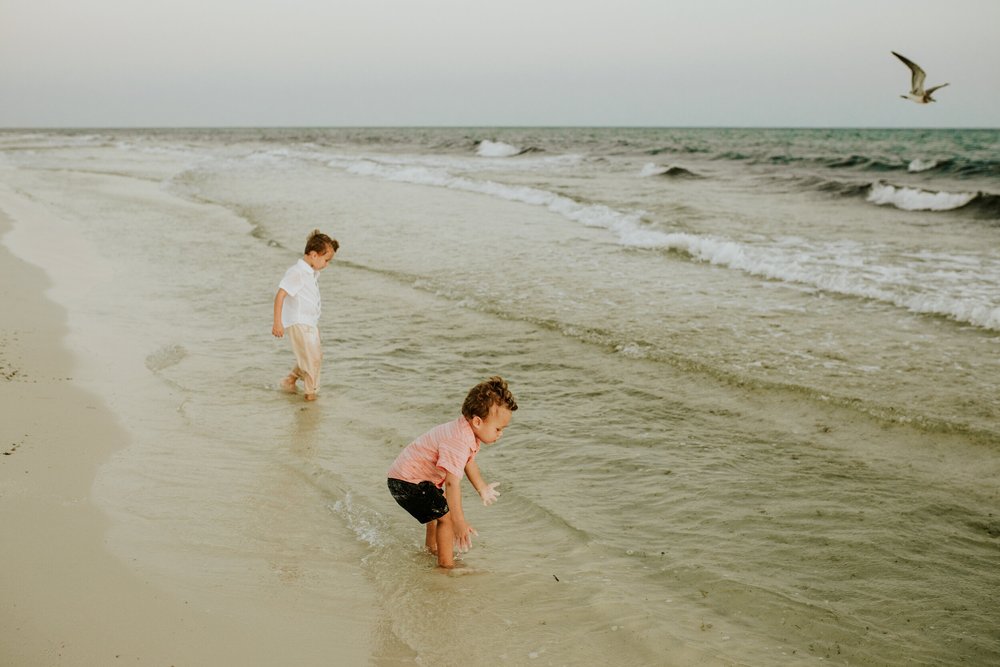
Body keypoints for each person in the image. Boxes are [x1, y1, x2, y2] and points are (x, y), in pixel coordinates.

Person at [387, 376, 518, 568]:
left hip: (407, 478)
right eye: (498, 428)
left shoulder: (465, 431)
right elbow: (451, 483)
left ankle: (432, 549)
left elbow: (468, 462)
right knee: (446, 518)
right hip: (407, 482)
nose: (500, 434)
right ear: (478, 422)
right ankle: (446, 566)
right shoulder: (459, 440)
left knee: (437, 508)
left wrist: (482, 488)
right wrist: (459, 522)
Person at [272, 230, 339, 401]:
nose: (326, 265)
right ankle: (311, 396)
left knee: (315, 356)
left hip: (310, 323)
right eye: (326, 260)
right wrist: (277, 323)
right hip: (299, 322)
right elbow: (280, 295)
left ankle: (290, 379)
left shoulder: (311, 272)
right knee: (311, 360)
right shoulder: (297, 273)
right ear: (313, 255)